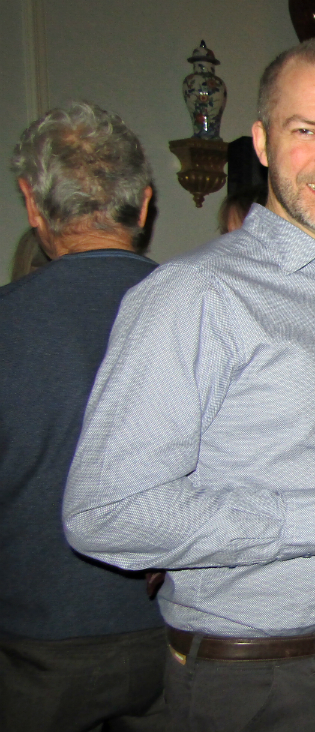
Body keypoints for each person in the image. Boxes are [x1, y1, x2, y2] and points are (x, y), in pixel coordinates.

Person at [63, 40, 315, 732]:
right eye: (307, 130)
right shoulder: (196, 294)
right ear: (264, 143)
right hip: (252, 682)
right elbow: (105, 512)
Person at [0, 102, 162, 732]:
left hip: (35, 652)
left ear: (32, 205)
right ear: (144, 205)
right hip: (182, 641)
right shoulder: (211, 310)